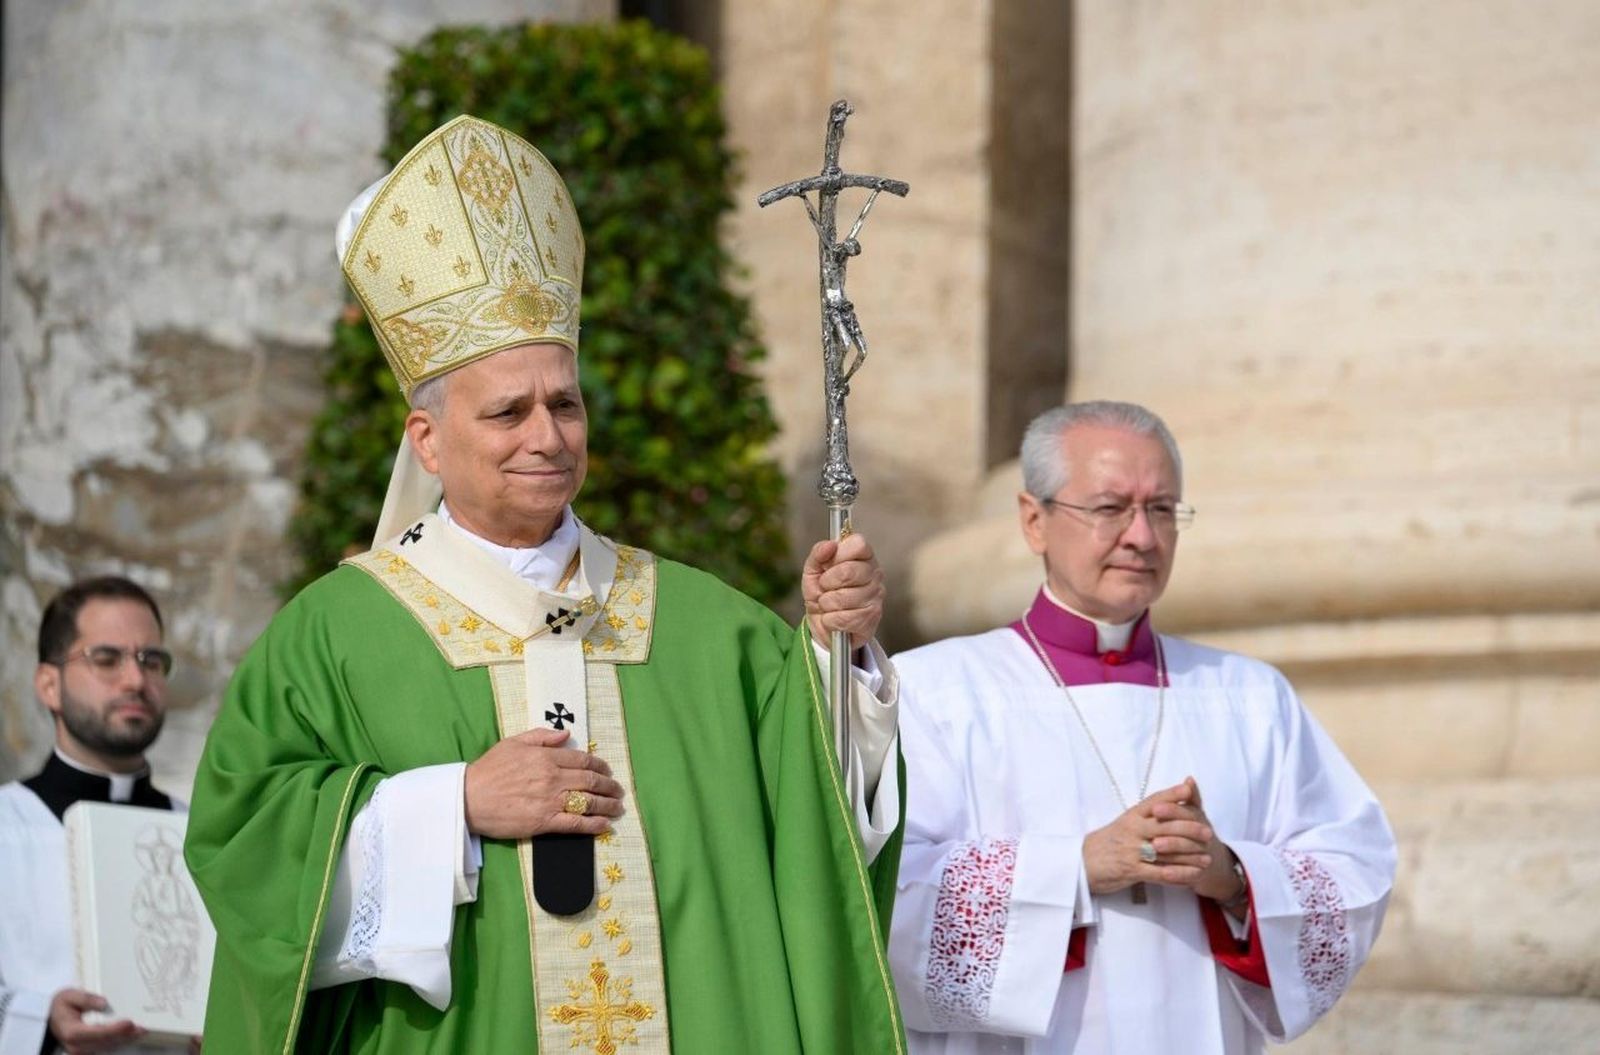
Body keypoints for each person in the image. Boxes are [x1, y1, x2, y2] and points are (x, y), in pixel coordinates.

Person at [184, 115, 906, 1054]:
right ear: (429, 441)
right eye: (508, 411)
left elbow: (822, 831)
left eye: (565, 403)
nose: (547, 435)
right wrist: (454, 806)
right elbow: (246, 845)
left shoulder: (711, 627)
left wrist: (837, 654)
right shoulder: (336, 633)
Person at [888, 401, 1396, 1053]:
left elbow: (1355, 869)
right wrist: (1073, 868)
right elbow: (879, 887)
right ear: (1034, 519)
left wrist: (1234, 875)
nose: (1142, 536)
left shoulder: (1249, 696)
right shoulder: (936, 690)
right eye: (1109, 508)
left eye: (1162, 508)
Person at [0, 576, 190, 1055]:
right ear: (49, 684)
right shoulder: (7, 822)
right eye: (106, 659)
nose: (134, 680)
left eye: (152, 660)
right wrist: (40, 1019)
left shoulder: (204, 834)